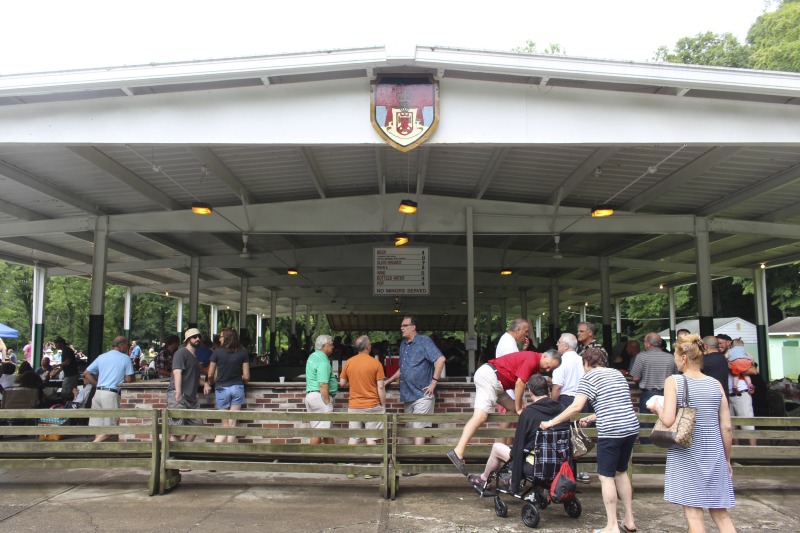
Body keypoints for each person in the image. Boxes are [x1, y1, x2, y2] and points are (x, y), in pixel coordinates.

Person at [541, 347, 639, 533]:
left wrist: (551, 422)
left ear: (586, 363)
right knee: (621, 472)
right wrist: (593, 417)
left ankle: (611, 526)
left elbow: (576, 406)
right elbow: (616, 404)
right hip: (630, 428)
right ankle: (629, 519)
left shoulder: (589, 377)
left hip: (611, 431)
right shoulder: (617, 375)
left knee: (606, 476)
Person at [649, 334, 736, 533]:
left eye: (675, 356)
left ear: (684, 358)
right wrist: (727, 460)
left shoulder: (674, 381)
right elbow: (727, 428)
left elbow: (669, 420)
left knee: (694, 514)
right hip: (714, 452)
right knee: (721, 514)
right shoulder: (716, 384)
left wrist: (657, 408)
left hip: (687, 451)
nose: (674, 360)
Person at [447, 349, 561, 475]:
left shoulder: (536, 366)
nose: (548, 370)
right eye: (548, 365)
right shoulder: (532, 359)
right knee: (481, 416)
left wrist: (518, 405)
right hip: (490, 377)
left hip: (498, 383)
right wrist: (519, 407)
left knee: (511, 408)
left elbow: (520, 385)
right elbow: (519, 383)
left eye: (551, 369)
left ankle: (501, 448)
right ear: (544, 356)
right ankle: (458, 452)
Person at [467, 374, 568, 494]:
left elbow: (518, 447)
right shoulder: (563, 409)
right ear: (548, 390)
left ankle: (484, 479)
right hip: (560, 464)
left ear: (530, 392)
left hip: (535, 466)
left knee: (497, 448)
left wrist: (515, 476)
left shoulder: (528, 413)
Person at [385, 316, 445, 447]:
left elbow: (440, 360)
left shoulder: (424, 341)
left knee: (418, 429)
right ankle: (413, 460)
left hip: (422, 394)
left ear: (413, 327)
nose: (401, 328)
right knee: (411, 429)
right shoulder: (403, 344)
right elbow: (403, 368)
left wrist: (433, 383)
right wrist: (388, 381)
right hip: (408, 395)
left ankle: (416, 461)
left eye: (405, 325)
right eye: (401, 326)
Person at [339, 335, 386, 478]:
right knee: (371, 438)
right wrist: (383, 405)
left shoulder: (349, 362)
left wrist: (353, 383)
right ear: (367, 347)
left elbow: (342, 383)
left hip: (354, 405)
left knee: (354, 438)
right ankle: (370, 470)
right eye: (370, 344)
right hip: (372, 405)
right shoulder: (375, 363)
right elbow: (381, 387)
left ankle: (351, 469)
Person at [83, 336, 135, 442]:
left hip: (98, 393)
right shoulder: (125, 358)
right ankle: (90, 448)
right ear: (122, 345)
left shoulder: (101, 357)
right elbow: (129, 380)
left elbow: (87, 373)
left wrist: (96, 384)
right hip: (111, 394)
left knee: (98, 428)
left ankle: (96, 452)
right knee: (112, 428)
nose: (127, 348)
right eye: (126, 345)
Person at [630, 332, 678, 444]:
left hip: (648, 394)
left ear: (648, 344)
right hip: (667, 394)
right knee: (666, 422)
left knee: (646, 423)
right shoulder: (671, 357)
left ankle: (647, 448)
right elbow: (676, 377)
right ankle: (664, 449)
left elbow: (636, 378)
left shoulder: (642, 356)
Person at [167, 328, 211, 442]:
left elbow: (195, 378)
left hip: (190, 398)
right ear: (187, 339)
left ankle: (182, 452)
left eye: (199, 337)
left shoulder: (194, 357)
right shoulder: (181, 353)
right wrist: (178, 392)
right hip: (178, 395)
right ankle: (174, 456)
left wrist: (205, 383)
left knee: (197, 424)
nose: (197, 339)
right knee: (176, 430)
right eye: (194, 337)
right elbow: (177, 372)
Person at [207, 327, 250, 444]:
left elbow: (210, 373)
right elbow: (246, 376)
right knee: (233, 423)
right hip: (237, 388)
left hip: (221, 388)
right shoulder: (243, 352)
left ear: (226, 338)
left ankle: (217, 451)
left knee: (224, 424)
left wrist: (211, 382)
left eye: (221, 337)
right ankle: (230, 453)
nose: (219, 339)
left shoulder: (217, 352)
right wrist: (239, 379)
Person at [495, 318, 531, 441]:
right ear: (517, 329)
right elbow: (514, 371)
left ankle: (506, 453)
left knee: (512, 427)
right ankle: (503, 452)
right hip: (510, 392)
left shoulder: (509, 341)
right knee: (509, 426)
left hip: (509, 391)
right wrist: (518, 397)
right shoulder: (508, 344)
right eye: (526, 331)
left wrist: (523, 351)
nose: (527, 335)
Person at [305, 334, 338, 445]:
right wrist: (328, 403)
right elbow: (323, 384)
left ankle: (330, 458)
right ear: (323, 346)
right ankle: (314, 459)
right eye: (331, 344)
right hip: (321, 398)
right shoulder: (323, 361)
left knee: (323, 430)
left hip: (312, 396)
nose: (333, 347)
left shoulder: (312, 356)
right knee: (319, 431)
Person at [55, 336, 79, 401]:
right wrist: (55, 373)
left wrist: (56, 365)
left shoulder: (66, 350)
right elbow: (63, 366)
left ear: (61, 343)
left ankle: (67, 406)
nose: (55, 345)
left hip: (71, 375)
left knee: (66, 393)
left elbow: (67, 362)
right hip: (70, 375)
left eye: (56, 343)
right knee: (68, 392)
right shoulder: (65, 350)